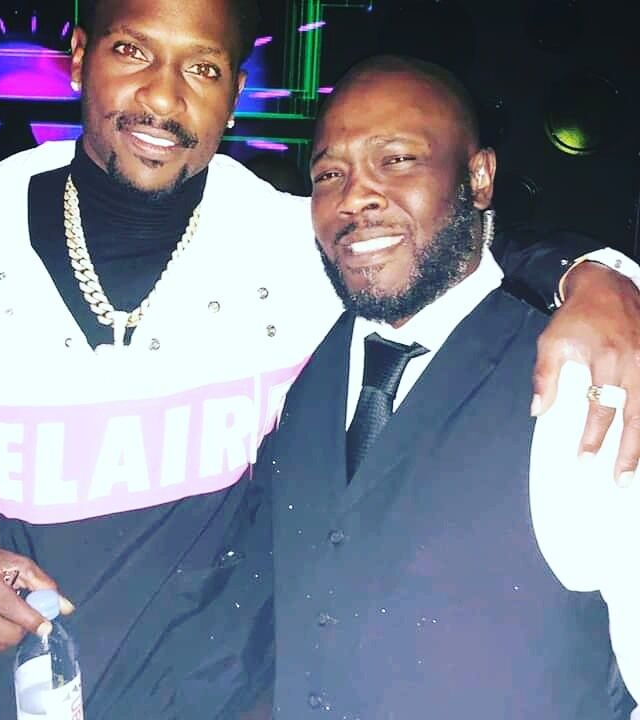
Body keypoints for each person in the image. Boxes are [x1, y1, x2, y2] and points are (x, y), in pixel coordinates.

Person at [0, 1, 640, 717]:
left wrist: (592, 275)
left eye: (202, 68)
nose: (163, 97)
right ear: (79, 57)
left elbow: (433, 239)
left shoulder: (293, 244)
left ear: (235, 92)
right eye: (133, 51)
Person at [246, 55, 640, 718]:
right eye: (329, 174)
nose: (355, 197)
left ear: (478, 177)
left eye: (398, 160)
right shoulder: (294, 334)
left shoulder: (587, 378)